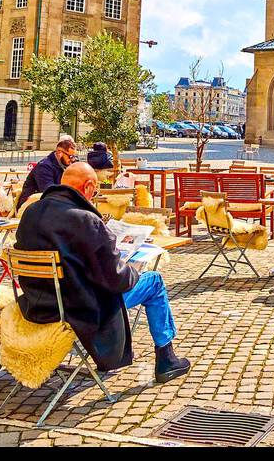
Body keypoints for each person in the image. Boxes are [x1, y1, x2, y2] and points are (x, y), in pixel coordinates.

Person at [15, 162, 190, 384]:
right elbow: (116, 279)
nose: (93, 196)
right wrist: (134, 270)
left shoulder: (31, 212)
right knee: (154, 282)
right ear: (88, 186)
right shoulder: (85, 219)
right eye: (95, 191)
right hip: (82, 307)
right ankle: (167, 359)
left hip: (39, 302)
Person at [16, 135, 78, 209]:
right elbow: (49, 192)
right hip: (30, 207)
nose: (72, 160)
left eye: (74, 157)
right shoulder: (44, 166)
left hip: (49, 205)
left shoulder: (64, 165)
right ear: (59, 153)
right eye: (70, 157)